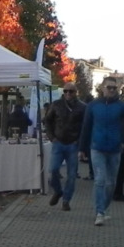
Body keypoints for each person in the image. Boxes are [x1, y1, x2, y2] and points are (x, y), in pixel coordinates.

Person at [77, 76, 124, 227]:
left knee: (111, 183)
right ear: (102, 88)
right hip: (97, 147)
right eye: (108, 87)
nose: (111, 90)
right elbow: (86, 127)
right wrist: (82, 148)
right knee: (100, 180)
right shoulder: (93, 106)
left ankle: (104, 207)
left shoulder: (122, 106)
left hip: (115, 149)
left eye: (114, 88)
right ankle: (99, 212)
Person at [42, 83, 85, 211]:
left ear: (75, 92)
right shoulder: (56, 104)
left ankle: (66, 200)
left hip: (73, 144)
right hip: (58, 142)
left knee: (71, 175)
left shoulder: (82, 107)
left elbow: (85, 126)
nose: (68, 94)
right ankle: (58, 191)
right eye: (66, 91)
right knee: (53, 170)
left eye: (71, 91)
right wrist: (52, 137)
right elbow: (47, 121)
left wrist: (79, 142)